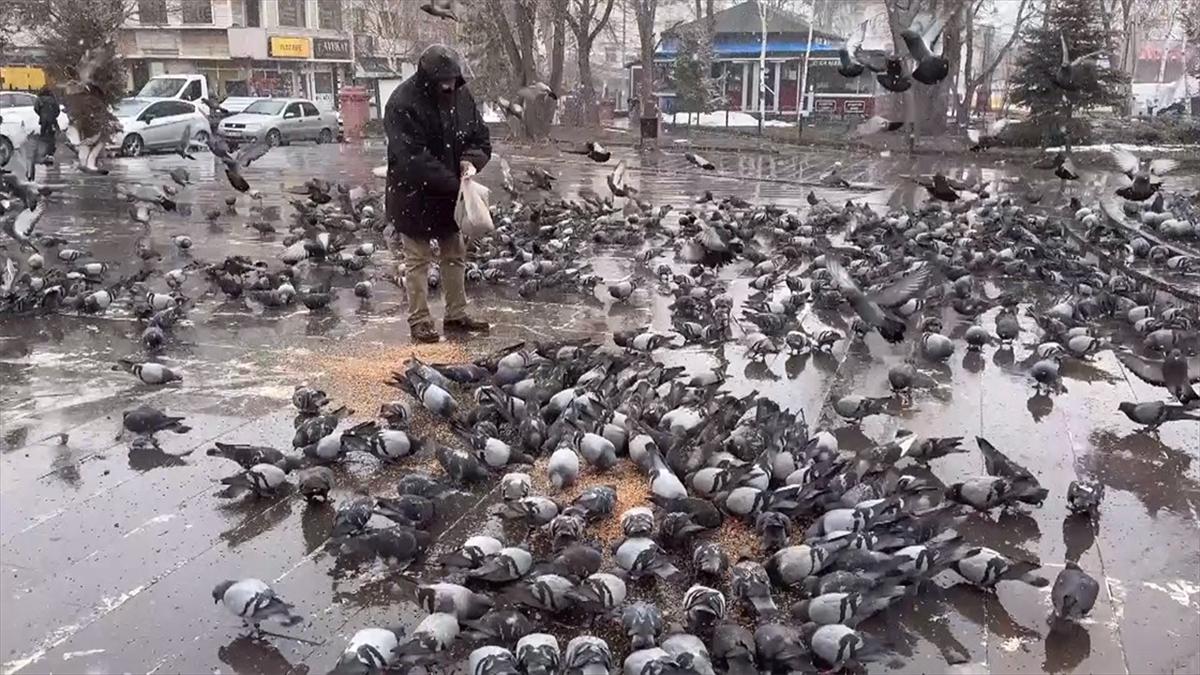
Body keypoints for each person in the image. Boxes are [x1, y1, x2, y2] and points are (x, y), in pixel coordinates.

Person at [385, 44, 492, 344]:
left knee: (455, 253)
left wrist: (471, 160)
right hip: (413, 194)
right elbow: (411, 158)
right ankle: (419, 319)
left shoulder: (462, 95)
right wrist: (452, 182)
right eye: (442, 81)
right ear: (425, 77)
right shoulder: (402, 102)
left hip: (450, 194)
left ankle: (456, 314)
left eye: (452, 80)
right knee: (417, 259)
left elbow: (481, 138)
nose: (448, 86)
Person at [34, 86, 61, 162]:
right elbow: (57, 110)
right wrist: (53, 116)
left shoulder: (39, 99)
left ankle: (43, 151)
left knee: (43, 136)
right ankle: (50, 152)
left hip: (43, 120)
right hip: (52, 120)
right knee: (51, 137)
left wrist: (41, 114)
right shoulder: (53, 99)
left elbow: (36, 108)